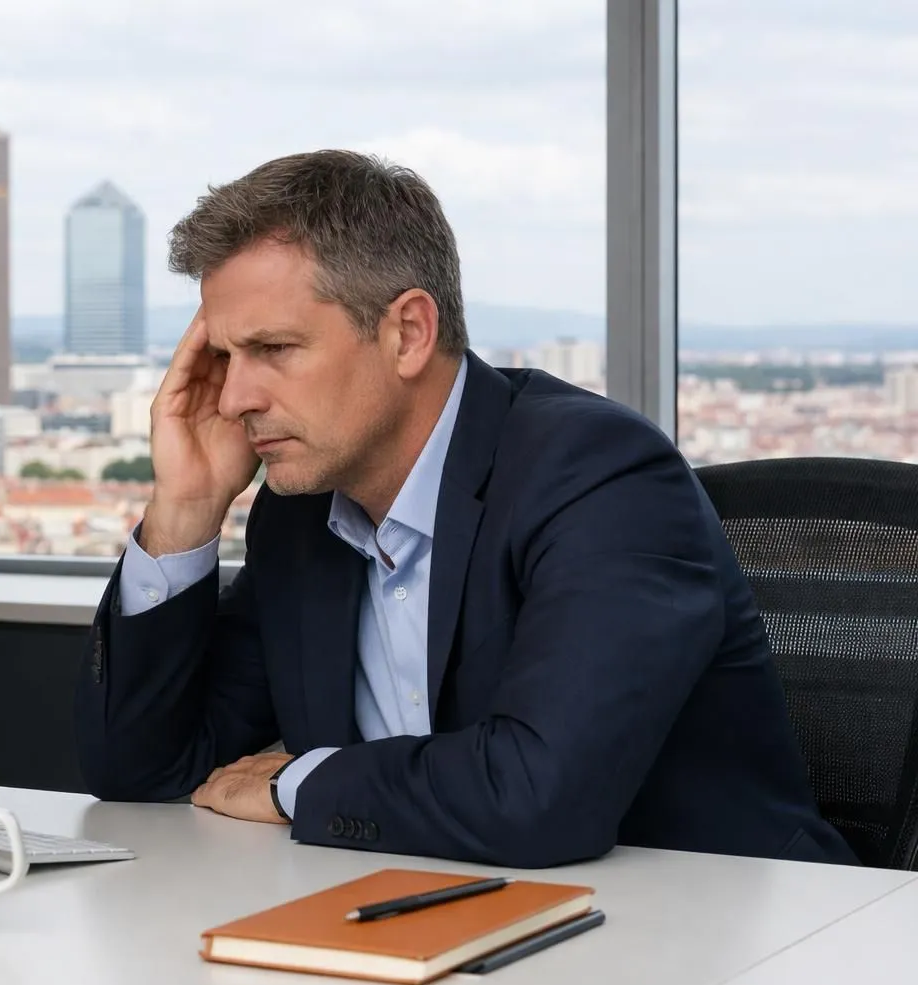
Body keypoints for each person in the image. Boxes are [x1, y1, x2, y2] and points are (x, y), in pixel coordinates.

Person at [74, 149, 856, 869]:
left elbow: (540, 799)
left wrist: (298, 784)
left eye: (274, 350)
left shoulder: (602, 478)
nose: (238, 398)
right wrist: (186, 509)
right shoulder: (303, 514)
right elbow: (144, 769)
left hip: (726, 945)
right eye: (225, 357)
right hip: (440, 926)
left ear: (408, 332)